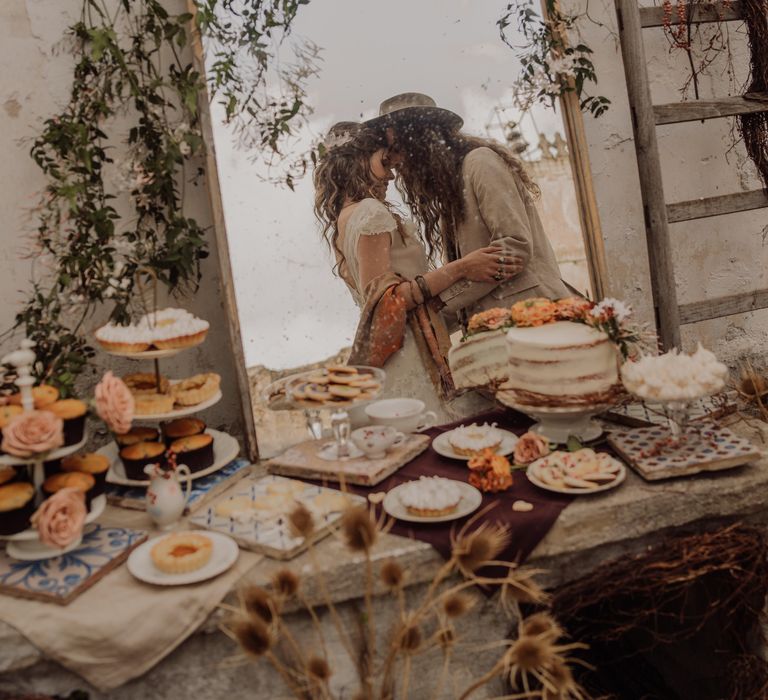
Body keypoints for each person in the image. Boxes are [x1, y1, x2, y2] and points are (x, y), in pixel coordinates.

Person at [313, 122, 522, 421]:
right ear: (357, 160)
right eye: (384, 162)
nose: (391, 173)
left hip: (401, 346)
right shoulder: (371, 212)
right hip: (409, 351)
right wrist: (463, 266)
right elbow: (389, 299)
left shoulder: (342, 222)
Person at [365, 93, 570, 331]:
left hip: (534, 319)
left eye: (399, 149)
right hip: (495, 329)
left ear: (420, 141)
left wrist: (439, 303)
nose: (398, 164)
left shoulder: (480, 163)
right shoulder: (450, 191)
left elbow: (514, 249)